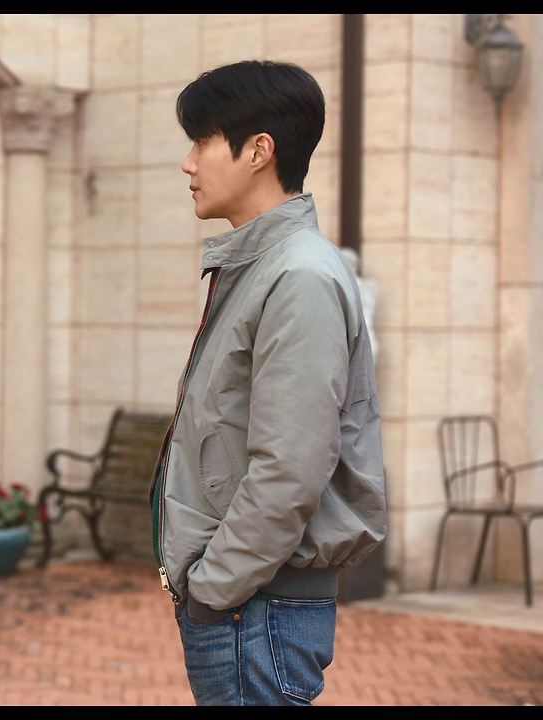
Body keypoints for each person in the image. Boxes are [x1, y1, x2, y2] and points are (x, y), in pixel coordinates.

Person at [149, 61, 386, 706]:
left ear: (258, 151)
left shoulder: (298, 275)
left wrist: (213, 590)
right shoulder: (264, 266)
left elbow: (290, 466)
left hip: (254, 610)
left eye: (202, 141)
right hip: (246, 603)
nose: (188, 164)